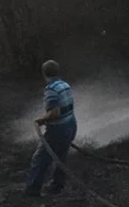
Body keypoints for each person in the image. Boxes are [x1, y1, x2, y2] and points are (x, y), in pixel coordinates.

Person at [25, 60, 77, 197]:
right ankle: (57, 185)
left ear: (44, 73)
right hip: (71, 124)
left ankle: (32, 190)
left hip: (58, 130)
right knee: (61, 156)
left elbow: (55, 112)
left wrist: (41, 120)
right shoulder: (65, 84)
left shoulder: (51, 89)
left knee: (40, 159)